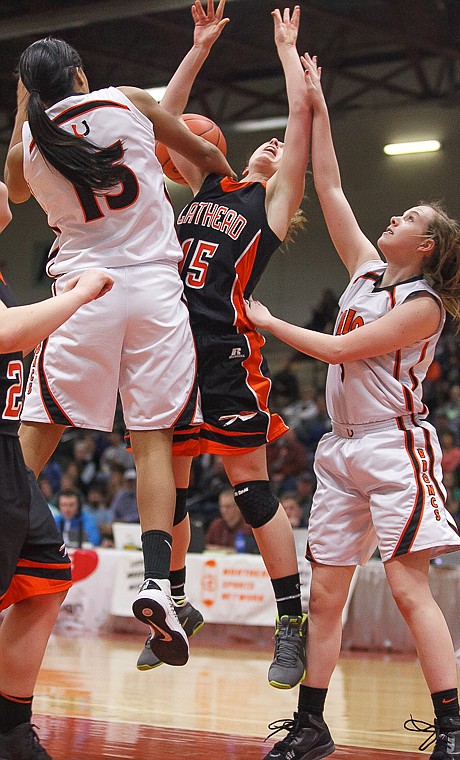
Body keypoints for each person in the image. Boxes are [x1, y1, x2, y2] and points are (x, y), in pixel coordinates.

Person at [244, 53, 460, 760]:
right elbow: (327, 183)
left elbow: (338, 352)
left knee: (409, 588)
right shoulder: (363, 272)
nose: (394, 214)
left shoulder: (423, 305)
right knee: (327, 595)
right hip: (342, 449)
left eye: (409, 216)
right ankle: (312, 723)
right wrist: (316, 100)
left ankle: (454, 726)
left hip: (393, 446)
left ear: (427, 246)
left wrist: (268, 322)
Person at [4, 35, 234, 669]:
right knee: (153, 440)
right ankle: (159, 583)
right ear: (81, 73)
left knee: (38, 431)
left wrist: (24, 107)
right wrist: (207, 183)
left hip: (84, 293)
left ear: (30, 90)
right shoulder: (128, 101)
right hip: (158, 291)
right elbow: (207, 156)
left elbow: (15, 194)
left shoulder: (30, 147)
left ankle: (2, 550)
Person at [137, 1, 311, 689]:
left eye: (276, 149)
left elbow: (300, 128)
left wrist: (289, 54)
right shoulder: (209, 182)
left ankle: (290, 622)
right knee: (171, 496)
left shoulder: (269, 205)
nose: (269, 145)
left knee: (254, 491)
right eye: (260, 141)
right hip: (169, 352)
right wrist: (200, 46)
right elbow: (162, 117)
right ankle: (177, 606)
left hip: (225, 353)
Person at [0, 182, 115, 760]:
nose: (4, 186)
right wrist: (81, 293)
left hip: (7, 462)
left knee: (45, 578)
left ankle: (11, 729)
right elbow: (6, 334)